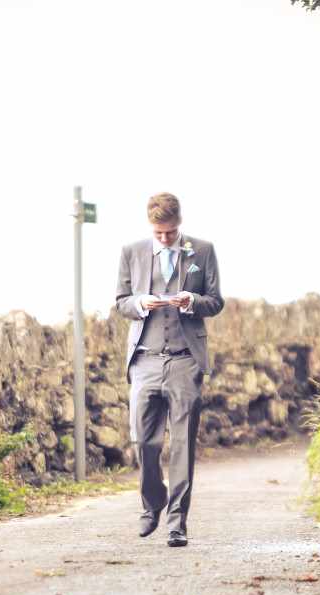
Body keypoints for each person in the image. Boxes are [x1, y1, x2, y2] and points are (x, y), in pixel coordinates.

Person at [114, 192, 224, 547]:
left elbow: (215, 301)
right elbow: (121, 302)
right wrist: (139, 303)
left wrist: (192, 301)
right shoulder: (131, 252)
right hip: (145, 359)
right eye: (158, 233)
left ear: (179, 223)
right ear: (150, 226)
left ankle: (177, 522)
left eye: (171, 232)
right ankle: (153, 502)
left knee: (182, 445)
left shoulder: (203, 250)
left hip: (185, 359)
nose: (164, 238)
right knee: (144, 442)